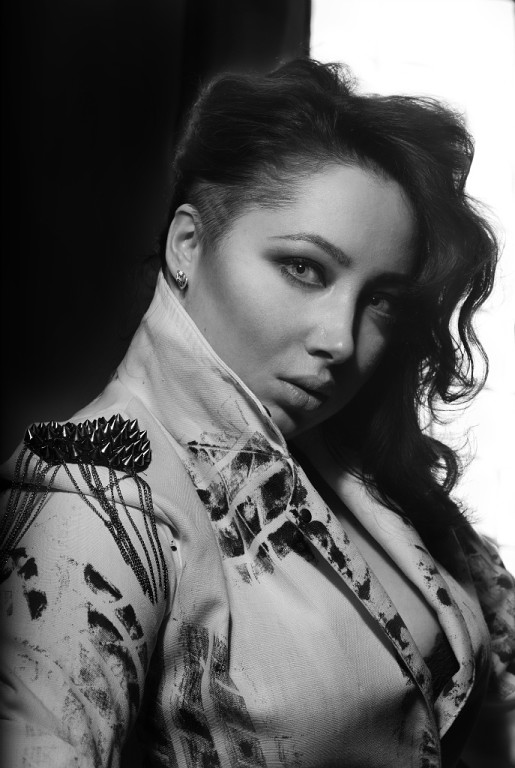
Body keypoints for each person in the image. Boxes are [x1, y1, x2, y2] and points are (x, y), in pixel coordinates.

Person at [0, 58, 513, 768]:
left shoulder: (347, 453)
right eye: (304, 268)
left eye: (380, 300)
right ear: (188, 245)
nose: (341, 341)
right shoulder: (95, 492)